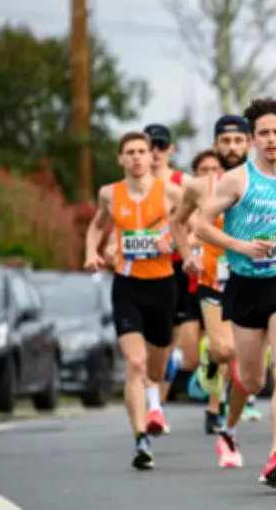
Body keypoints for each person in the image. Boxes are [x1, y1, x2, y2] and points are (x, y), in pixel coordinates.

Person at [194, 98, 276, 487]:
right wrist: (240, 246)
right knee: (253, 379)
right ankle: (228, 429)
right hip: (245, 286)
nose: (271, 140)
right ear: (252, 139)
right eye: (264, 133)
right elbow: (201, 225)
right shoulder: (236, 179)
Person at [83, 131, 184, 470]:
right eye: (130, 152)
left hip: (163, 286)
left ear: (151, 156)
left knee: (155, 369)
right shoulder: (109, 194)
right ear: (121, 158)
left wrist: (173, 244)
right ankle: (141, 439)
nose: (137, 157)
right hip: (127, 287)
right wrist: (92, 252)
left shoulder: (170, 192)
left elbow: (192, 227)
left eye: (142, 151)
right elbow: (96, 227)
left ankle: (155, 400)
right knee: (135, 363)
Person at [172, 116, 256, 467]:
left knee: (249, 366)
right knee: (224, 349)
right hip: (214, 280)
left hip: (255, 279)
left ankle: (228, 419)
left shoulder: (263, 180)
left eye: (238, 141)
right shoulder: (198, 186)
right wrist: (187, 255)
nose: (232, 148)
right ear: (215, 146)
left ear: (249, 143)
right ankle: (211, 361)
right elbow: (177, 222)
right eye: (226, 141)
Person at [143, 123, 199, 432]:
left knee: (171, 344)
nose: (154, 152)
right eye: (149, 146)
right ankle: (154, 408)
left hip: (176, 268)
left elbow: (198, 225)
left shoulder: (183, 183)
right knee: (147, 342)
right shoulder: (131, 185)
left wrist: (177, 244)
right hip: (142, 269)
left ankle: (159, 401)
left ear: (171, 150)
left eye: (160, 146)